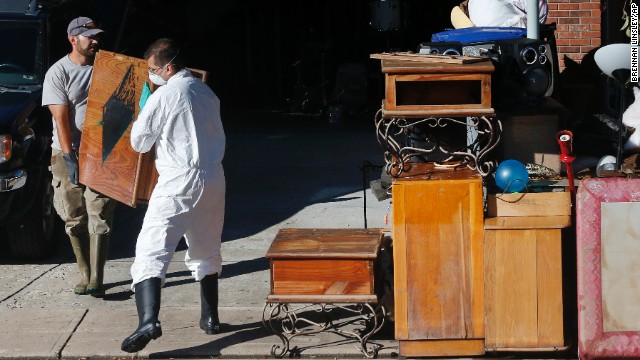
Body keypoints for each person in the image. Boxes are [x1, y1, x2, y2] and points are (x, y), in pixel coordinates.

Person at [121, 38, 226, 353]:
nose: (151, 74)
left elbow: (139, 142)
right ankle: (211, 319)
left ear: (167, 67)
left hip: (179, 178)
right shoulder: (207, 92)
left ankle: (148, 321)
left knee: (152, 248)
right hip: (214, 177)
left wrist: (145, 110)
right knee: (207, 246)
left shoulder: (165, 94)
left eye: (153, 69)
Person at [42, 17, 116, 297]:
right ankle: (83, 272)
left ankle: (97, 276)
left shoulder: (106, 67)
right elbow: (60, 117)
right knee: (73, 214)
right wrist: (70, 156)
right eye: (89, 37)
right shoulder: (58, 72)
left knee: (100, 209)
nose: (95, 41)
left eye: (98, 36)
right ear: (73, 39)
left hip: (99, 151)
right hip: (67, 151)